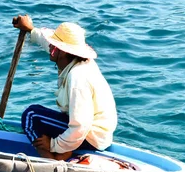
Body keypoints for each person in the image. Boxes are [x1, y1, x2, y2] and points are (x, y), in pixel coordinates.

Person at [12, 15, 117, 160]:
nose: (49, 46)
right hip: (95, 134)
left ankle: (51, 160)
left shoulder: (78, 77)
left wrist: (54, 144)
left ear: (61, 51)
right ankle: (65, 149)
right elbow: (45, 41)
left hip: (90, 137)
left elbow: (81, 126)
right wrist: (30, 29)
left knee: (31, 115)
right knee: (40, 114)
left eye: (53, 45)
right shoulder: (77, 61)